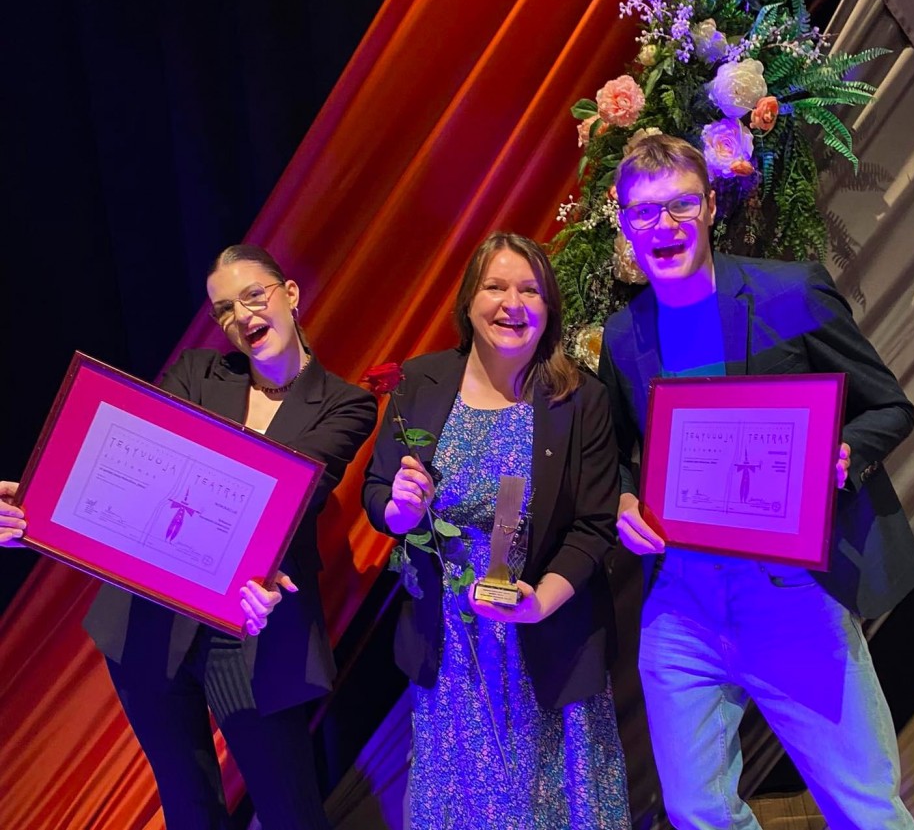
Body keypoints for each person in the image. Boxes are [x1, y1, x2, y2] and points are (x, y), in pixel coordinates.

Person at [598, 134, 914, 829]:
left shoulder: (790, 291)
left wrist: (844, 451)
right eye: (645, 211)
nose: (664, 225)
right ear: (625, 223)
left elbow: (890, 406)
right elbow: (619, 455)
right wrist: (623, 497)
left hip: (790, 596)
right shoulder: (624, 335)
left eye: (681, 204)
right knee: (696, 811)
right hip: (682, 607)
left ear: (712, 206)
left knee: (864, 806)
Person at [1, 243, 377, 829]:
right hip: (149, 619)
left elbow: (289, 497)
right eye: (225, 310)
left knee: (291, 814)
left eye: (254, 296)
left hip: (253, 627)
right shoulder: (198, 373)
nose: (242, 317)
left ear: (291, 295)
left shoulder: (345, 405)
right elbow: (140, 468)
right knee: (189, 809)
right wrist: (37, 510)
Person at [363, 232, 631, 829]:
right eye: (496, 287)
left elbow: (594, 525)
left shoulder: (580, 398)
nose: (513, 304)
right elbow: (377, 491)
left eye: (530, 290)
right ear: (468, 300)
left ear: (550, 307)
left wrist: (540, 604)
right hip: (451, 643)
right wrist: (399, 512)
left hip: (547, 629)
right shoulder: (420, 383)